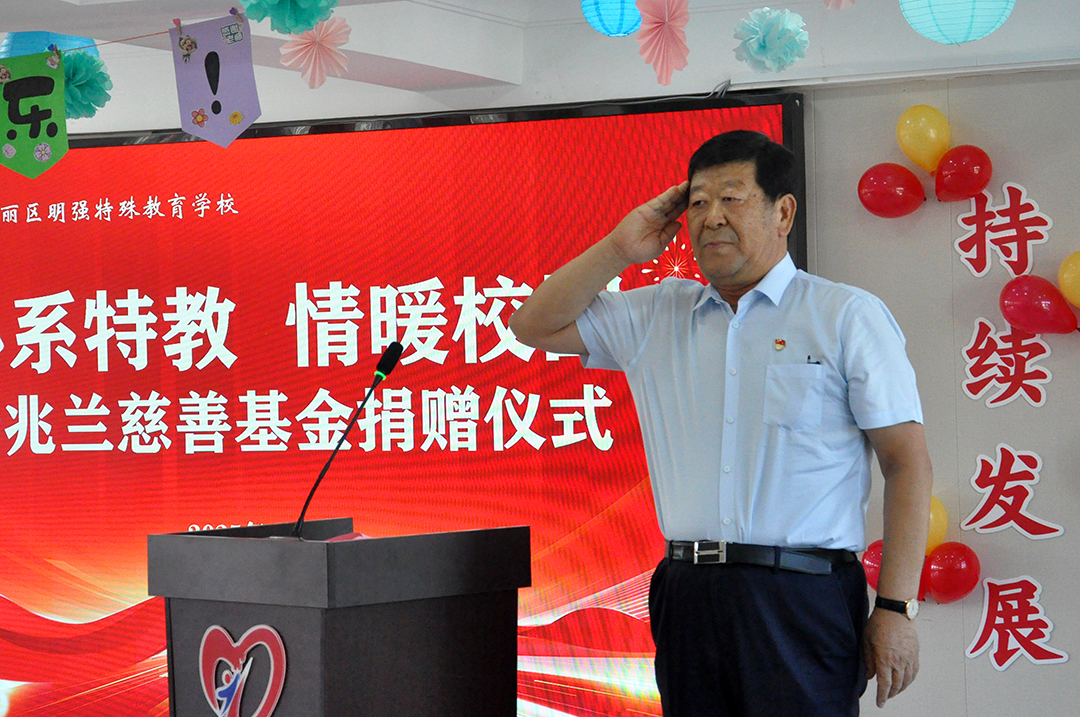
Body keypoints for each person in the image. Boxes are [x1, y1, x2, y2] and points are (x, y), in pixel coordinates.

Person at [509, 130, 933, 716]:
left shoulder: (843, 315)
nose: (711, 218)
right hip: (688, 593)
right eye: (698, 202)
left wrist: (895, 607)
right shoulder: (659, 312)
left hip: (802, 596)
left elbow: (906, 462)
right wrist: (618, 249)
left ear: (783, 213)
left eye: (732, 198)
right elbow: (531, 325)